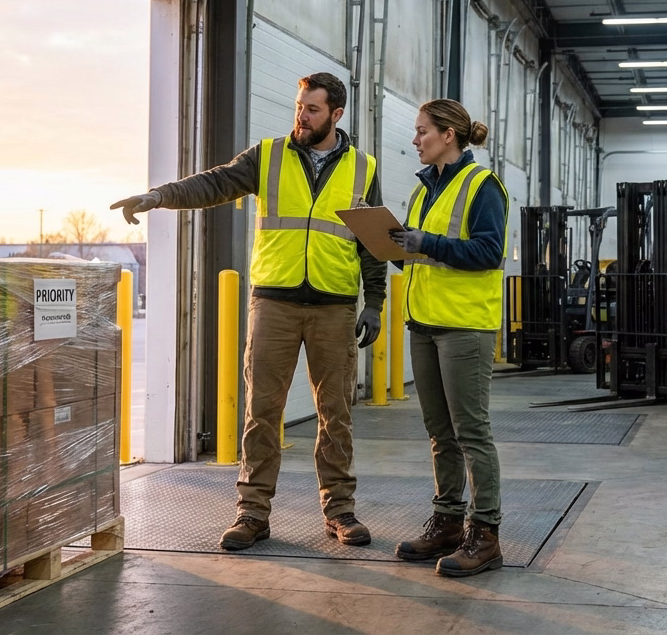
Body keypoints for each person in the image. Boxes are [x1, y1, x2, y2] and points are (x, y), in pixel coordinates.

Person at [110, 72, 386, 549]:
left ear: (336, 115)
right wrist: (159, 196)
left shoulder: (364, 168)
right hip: (274, 303)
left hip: (335, 306)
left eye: (313, 109)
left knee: (335, 414)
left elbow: (373, 241)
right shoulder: (269, 155)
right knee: (261, 412)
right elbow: (214, 183)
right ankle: (252, 513)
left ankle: (340, 510)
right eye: (299, 106)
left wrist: (376, 303)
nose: (302, 115)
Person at [388, 99, 508, 577]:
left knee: (472, 433)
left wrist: (424, 242)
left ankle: (486, 534)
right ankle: (447, 521)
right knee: (441, 435)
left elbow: (488, 251)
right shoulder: (423, 191)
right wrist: (383, 241)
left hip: (465, 326)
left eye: (422, 132)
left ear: (448, 136)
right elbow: (420, 258)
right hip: (424, 323)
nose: (415, 140)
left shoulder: (483, 186)